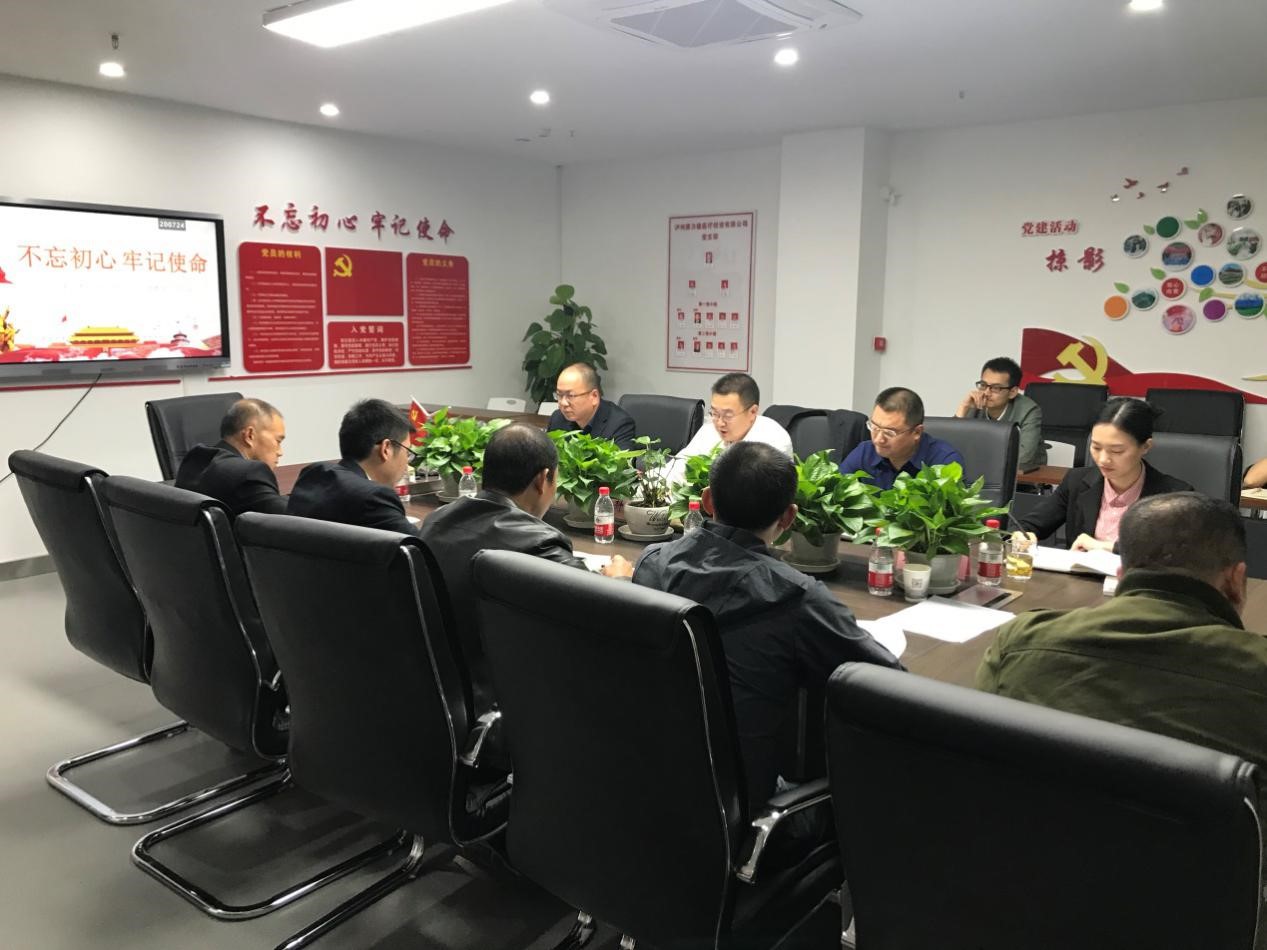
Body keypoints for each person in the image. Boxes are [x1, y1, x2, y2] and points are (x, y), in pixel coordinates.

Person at [633, 441, 902, 818]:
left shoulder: (652, 563)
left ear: (707, 500)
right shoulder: (798, 598)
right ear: (789, 517)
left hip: (645, 785)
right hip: (742, 809)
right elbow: (891, 686)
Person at [977, 492, 1267, 828]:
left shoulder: (1020, 641)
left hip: (1034, 847)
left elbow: (978, 762)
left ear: (1120, 573)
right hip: (1205, 861)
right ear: (1236, 580)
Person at [420, 424, 633, 710]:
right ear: (543, 479)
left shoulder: (435, 522)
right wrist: (619, 582)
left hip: (433, 692)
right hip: (504, 703)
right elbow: (604, 616)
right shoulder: (538, 542)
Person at [1013, 397, 1192, 552]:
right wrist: (1023, 535)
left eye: (1117, 451)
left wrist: (1106, 547)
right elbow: (1026, 526)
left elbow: (1176, 552)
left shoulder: (1174, 496)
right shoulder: (1077, 481)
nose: (1103, 459)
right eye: (1096, 447)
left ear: (1145, 447)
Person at [288, 398, 418, 535]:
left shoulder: (314, 475)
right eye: (407, 452)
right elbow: (420, 545)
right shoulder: (374, 498)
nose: (407, 461)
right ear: (386, 449)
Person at [174, 397, 288, 516]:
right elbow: (290, 518)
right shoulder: (250, 473)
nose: (280, 452)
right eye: (278, 441)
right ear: (249, 435)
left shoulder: (195, 458)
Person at [669, 372, 792, 479]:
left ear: (752, 412)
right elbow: (677, 469)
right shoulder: (710, 430)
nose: (719, 423)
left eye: (728, 415)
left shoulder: (773, 441)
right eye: (715, 413)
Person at [839, 387, 963, 489]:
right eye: (874, 427)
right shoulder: (864, 452)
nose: (878, 440)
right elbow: (837, 492)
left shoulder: (945, 461)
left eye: (889, 432)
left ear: (917, 432)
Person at [953, 356, 1046, 472]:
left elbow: (1023, 458)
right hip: (980, 471)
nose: (986, 393)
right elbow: (950, 446)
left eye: (995, 388)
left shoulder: (1029, 410)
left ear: (1012, 392)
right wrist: (963, 408)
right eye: (983, 385)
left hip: (1024, 476)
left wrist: (976, 456)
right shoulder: (975, 403)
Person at [545, 362, 637, 450]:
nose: (563, 403)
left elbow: (622, 460)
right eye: (559, 395)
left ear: (594, 396)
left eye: (571, 396)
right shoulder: (557, 419)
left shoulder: (619, 424)